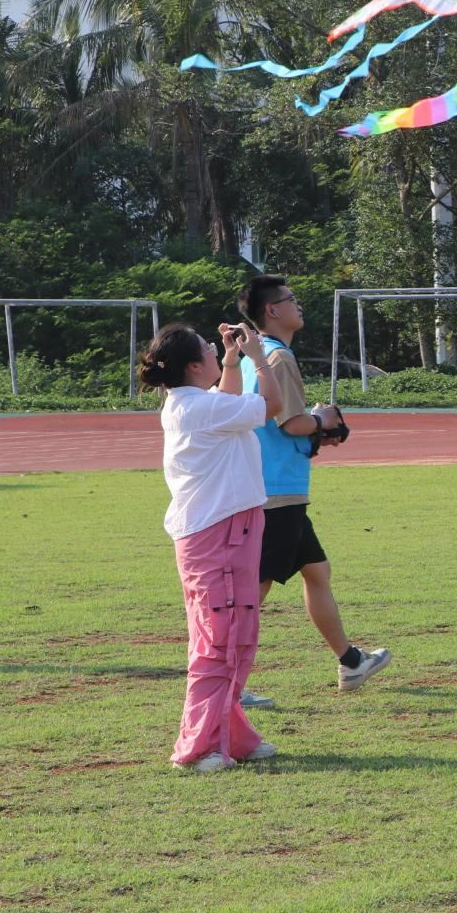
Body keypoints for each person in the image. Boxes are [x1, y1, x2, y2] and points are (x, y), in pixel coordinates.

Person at [235, 275, 391, 700]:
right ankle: (228, 684)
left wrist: (317, 432)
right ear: (272, 310)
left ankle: (351, 662)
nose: (298, 305)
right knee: (253, 591)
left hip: (272, 485)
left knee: (316, 571)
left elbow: (271, 423)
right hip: (276, 491)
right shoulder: (277, 356)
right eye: (291, 299)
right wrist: (323, 420)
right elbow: (291, 423)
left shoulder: (252, 356)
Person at [142, 321, 283, 772]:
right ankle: (197, 748)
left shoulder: (193, 403)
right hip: (219, 533)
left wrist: (230, 359)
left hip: (223, 529)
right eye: (207, 347)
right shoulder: (199, 408)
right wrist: (260, 358)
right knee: (219, 640)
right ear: (192, 366)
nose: (214, 349)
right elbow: (272, 405)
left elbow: (228, 399)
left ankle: (233, 736)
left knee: (231, 636)